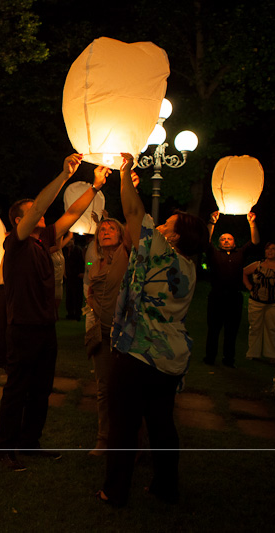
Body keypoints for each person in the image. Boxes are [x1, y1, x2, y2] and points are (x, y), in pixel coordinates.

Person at [99, 153, 209, 507]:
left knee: (123, 426)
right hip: (170, 359)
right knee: (162, 424)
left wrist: (125, 171)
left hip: (137, 354)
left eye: (167, 225)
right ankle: (165, 486)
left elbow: (133, 214)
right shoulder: (189, 269)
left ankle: (114, 492)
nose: (160, 228)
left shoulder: (162, 251)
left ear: (175, 237)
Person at [0, 154, 107, 472]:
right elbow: (45, 206)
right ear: (19, 221)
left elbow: (72, 212)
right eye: (33, 212)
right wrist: (64, 175)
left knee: (41, 389)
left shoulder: (44, 241)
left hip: (46, 326)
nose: (41, 216)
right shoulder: (15, 243)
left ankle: (30, 442)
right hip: (23, 327)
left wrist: (96, 186)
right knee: (17, 388)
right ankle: (5, 449)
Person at [84, 215, 131, 456]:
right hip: (101, 334)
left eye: (112, 228)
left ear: (121, 235)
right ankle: (104, 439)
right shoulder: (97, 262)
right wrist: (92, 303)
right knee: (103, 388)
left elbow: (134, 221)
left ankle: (132, 443)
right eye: (101, 230)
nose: (106, 231)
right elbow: (91, 291)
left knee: (128, 390)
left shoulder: (126, 255)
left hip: (126, 335)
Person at [203, 211, 260, 367]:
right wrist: (212, 222)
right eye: (223, 239)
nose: (226, 240)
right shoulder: (214, 253)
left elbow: (255, 242)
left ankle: (229, 360)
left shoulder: (240, 253)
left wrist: (252, 223)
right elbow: (205, 240)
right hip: (217, 297)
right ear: (219, 242)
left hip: (234, 298)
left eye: (229, 238)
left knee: (231, 330)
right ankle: (210, 358)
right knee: (213, 329)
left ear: (234, 243)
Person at [63, 234, 86, 320]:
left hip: (77, 276)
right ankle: (70, 313)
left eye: (70, 240)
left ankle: (77, 314)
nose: (69, 242)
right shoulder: (65, 250)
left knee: (77, 296)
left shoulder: (77, 250)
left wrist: (81, 272)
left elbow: (82, 262)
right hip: (69, 276)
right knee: (69, 295)